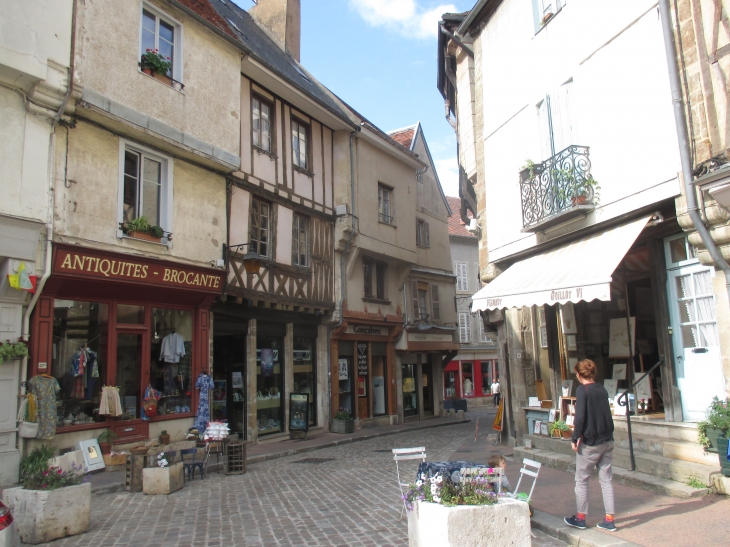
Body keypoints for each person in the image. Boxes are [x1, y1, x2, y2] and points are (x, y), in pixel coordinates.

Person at [565, 359, 616, 532]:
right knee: (606, 480)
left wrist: (574, 438)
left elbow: (580, 417)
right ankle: (609, 519)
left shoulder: (582, 390)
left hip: (591, 441)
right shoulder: (601, 389)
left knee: (582, 479)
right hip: (607, 439)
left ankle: (580, 517)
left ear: (579, 375)